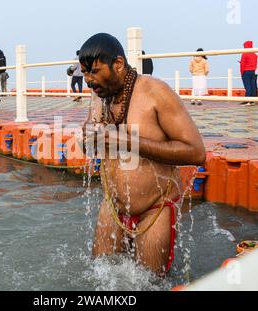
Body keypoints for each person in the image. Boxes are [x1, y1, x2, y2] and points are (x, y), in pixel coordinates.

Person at [79, 33, 205, 276]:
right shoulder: (99, 95)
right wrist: (87, 139)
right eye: (85, 73)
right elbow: (90, 147)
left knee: (149, 284)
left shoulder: (155, 92)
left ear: (117, 64)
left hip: (154, 210)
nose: (88, 80)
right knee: (98, 276)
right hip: (113, 208)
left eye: (94, 71)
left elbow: (197, 152)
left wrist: (129, 142)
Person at [240, 41, 258, 106]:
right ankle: (252, 101)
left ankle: (247, 101)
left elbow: (242, 65)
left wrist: (241, 72)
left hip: (246, 72)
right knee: (253, 86)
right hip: (253, 71)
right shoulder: (255, 55)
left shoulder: (244, 54)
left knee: (247, 87)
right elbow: (255, 64)